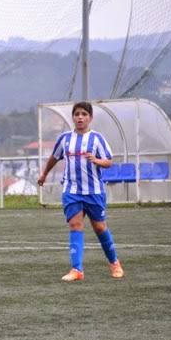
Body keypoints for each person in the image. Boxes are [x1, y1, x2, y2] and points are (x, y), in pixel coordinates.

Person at [38, 101, 124, 281]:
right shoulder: (65, 139)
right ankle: (77, 269)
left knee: (100, 227)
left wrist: (97, 160)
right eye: (77, 114)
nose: (80, 117)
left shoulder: (97, 139)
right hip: (72, 190)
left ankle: (114, 262)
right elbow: (54, 157)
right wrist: (44, 174)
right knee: (75, 225)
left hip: (94, 191)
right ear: (73, 117)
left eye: (84, 114)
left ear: (90, 118)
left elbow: (108, 162)